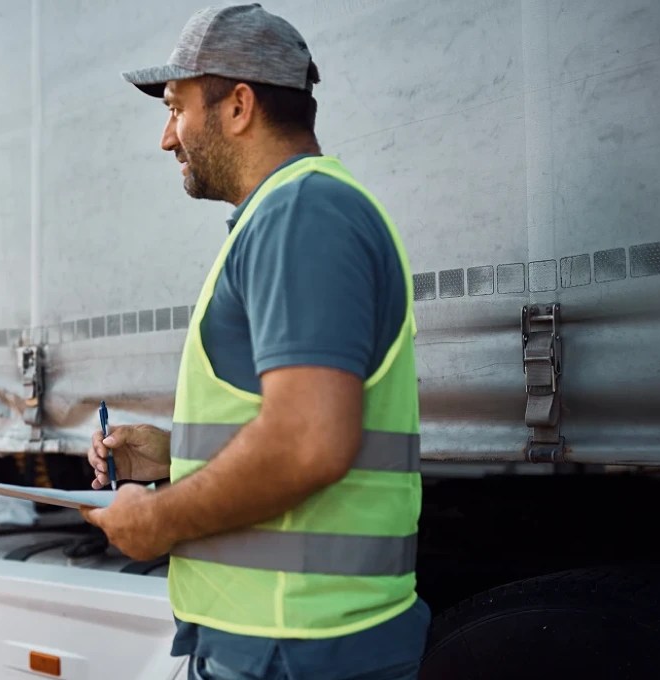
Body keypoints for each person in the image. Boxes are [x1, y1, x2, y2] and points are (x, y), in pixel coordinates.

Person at [83, 5, 429, 679]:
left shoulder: (301, 212)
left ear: (238, 105)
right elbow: (289, 424)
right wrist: (174, 454)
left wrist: (159, 522)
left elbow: (306, 443)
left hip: (295, 647)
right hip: (292, 640)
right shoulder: (293, 212)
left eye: (176, 107)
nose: (166, 137)